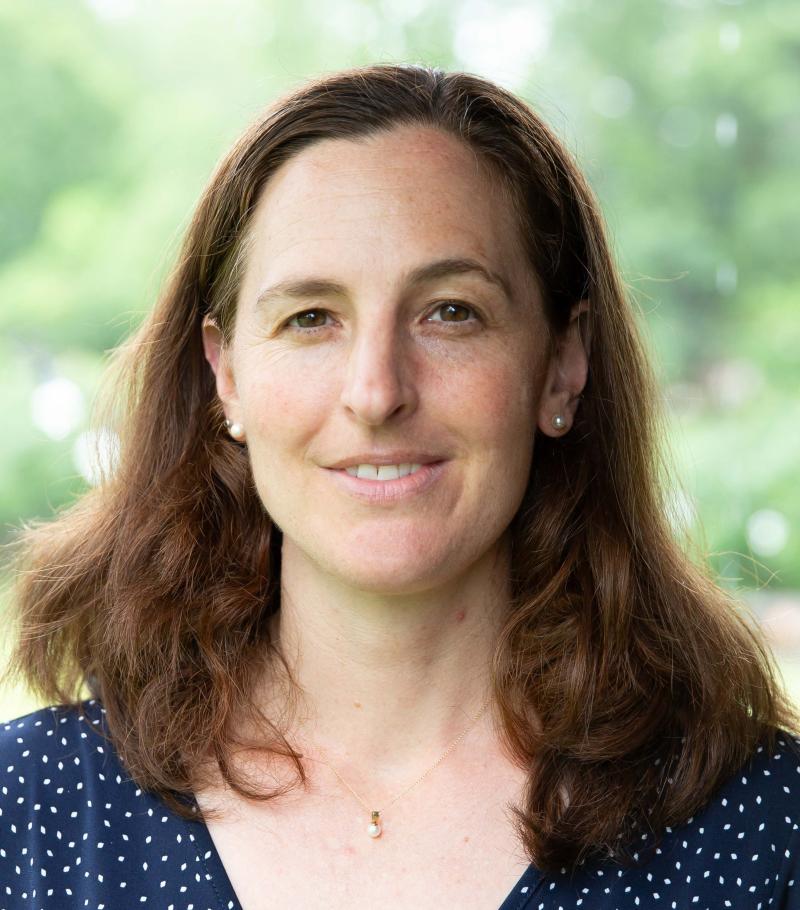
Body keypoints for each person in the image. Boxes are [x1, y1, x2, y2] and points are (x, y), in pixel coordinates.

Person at [1, 63, 799, 910]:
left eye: (450, 311)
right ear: (224, 375)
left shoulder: (762, 832)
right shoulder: (34, 813)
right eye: (311, 318)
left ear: (563, 366)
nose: (377, 392)